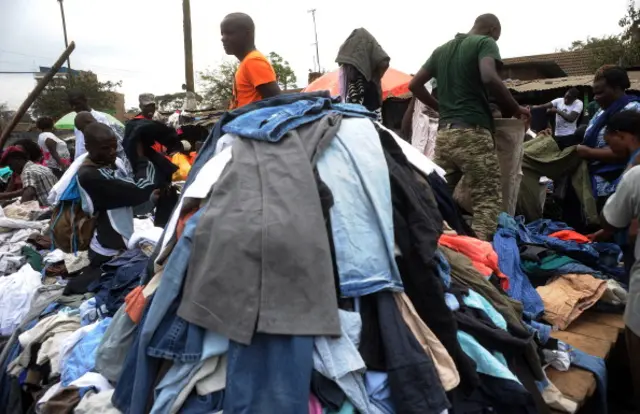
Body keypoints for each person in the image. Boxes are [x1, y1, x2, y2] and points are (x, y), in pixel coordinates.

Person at [408, 13, 530, 240]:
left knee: (438, 195)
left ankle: (437, 244)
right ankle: (481, 257)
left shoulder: (441, 50)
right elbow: (489, 76)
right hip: (473, 134)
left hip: (444, 136)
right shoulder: (485, 43)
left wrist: (441, 107)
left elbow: (414, 84)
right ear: (493, 30)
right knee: (487, 199)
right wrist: (516, 109)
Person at [590, 110, 640, 410]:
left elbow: (612, 218)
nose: (611, 149)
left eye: (612, 142)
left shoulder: (635, 170)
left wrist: (606, 231)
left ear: (623, 135)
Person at [77, 123, 157, 263]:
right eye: (105, 148)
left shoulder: (110, 163)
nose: (112, 151)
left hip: (116, 240)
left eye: (114, 146)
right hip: (108, 248)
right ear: (88, 147)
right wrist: (142, 159)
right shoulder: (91, 175)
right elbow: (139, 190)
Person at [576, 66, 640, 209]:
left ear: (617, 88)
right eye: (594, 93)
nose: (595, 97)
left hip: (619, 186)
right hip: (597, 186)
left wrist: (589, 153)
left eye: (600, 92)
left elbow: (630, 151)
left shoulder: (634, 111)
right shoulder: (601, 112)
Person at [221, 13, 280, 109]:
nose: (223, 38)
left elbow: (277, 102)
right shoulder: (246, 62)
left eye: (229, 33)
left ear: (247, 34)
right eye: (222, 34)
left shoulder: (253, 61)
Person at [336, 28, 390, 121]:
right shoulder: (369, 84)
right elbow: (384, 62)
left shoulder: (351, 84)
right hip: (368, 121)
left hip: (359, 121)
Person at [68, 90, 126, 161]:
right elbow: (79, 144)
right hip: (80, 161)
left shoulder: (100, 118)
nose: (74, 107)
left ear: (85, 100)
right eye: (71, 105)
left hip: (96, 162)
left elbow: (109, 142)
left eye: (77, 103)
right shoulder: (77, 119)